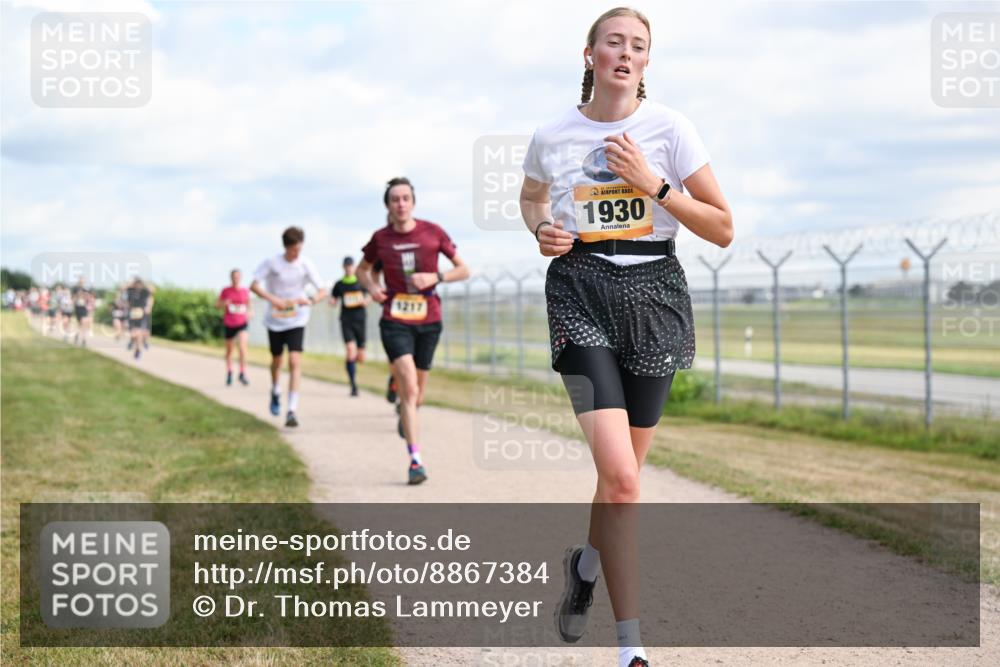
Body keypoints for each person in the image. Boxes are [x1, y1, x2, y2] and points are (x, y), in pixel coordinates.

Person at [519, 8, 733, 667]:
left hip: (654, 296)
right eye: (614, 42)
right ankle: (630, 646)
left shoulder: (672, 129)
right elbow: (531, 197)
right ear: (590, 55)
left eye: (638, 45)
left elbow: (722, 227)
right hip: (579, 290)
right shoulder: (553, 133)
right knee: (621, 477)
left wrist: (655, 185)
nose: (626, 52)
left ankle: (585, 566)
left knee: (622, 482)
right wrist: (541, 229)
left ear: (645, 62)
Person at [357, 177, 470, 485]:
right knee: (408, 385)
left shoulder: (433, 232)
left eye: (406, 198)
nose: (401, 204)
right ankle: (415, 461)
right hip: (394, 319)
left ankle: (407, 413)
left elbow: (464, 269)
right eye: (395, 199)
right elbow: (363, 270)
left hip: (429, 320)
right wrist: (373, 289)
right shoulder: (381, 238)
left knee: (417, 394)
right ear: (388, 205)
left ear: (413, 202)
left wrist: (435, 277)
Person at [250, 226, 326, 428]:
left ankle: (292, 409)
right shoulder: (272, 263)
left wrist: (310, 300)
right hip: (275, 320)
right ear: (286, 247)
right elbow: (254, 285)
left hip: (297, 319)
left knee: (294, 360)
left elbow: (322, 290)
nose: (296, 254)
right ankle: (275, 389)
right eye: (293, 250)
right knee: (277, 360)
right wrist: (273, 299)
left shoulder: (305, 264)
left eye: (299, 249)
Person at [330, 256, 370, 396]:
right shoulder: (339, 284)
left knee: (361, 357)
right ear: (343, 267)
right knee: (350, 350)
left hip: (360, 320)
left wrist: (366, 301)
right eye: (346, 266)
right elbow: (333, 298)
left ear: (354, 267)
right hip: (346, 321)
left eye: (350, 266)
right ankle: (353, 385)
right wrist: (332, 302)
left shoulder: (361, 282)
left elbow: (371, 295)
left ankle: (355, 367)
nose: (348, 268)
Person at [218, 269, 253, 386]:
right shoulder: (225, 290)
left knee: (243, 349)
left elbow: (249, 305)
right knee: (229, 351)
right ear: (231, 278)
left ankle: (242, 373)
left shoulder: (245, 291)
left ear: (240, 278)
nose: (236, 279)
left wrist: (250, 313)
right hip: (229, 323)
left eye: (238, 276)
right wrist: (224, 303)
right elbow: (217, 305)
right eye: (234, 277)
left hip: (242, 323)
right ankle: (229, 372)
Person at [126, 278, 154, 359]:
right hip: (132, 314)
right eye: (136, 284)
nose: (138, 286)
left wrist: (149, 307)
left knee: (139, 333)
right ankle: (132, 342)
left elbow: (152, 290)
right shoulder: (130, 291)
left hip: (141, 314)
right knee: (133, 334)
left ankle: (138, 350)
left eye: (139, 284)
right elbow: (122, 288)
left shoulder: (144, 291)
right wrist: (131, 283)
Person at [71, 277, 95, 347]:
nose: (82, 283)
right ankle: (77, 335)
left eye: (83, 282)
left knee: (84, 322)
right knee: (79, 324)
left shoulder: (86, 290)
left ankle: (84, 339)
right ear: (79, 282)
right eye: (81, 281)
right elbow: (73, 299)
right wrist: (77, 296)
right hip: (77, 308)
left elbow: (89, 298)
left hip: (84, 308)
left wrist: (87, 298)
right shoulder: (75, 289)